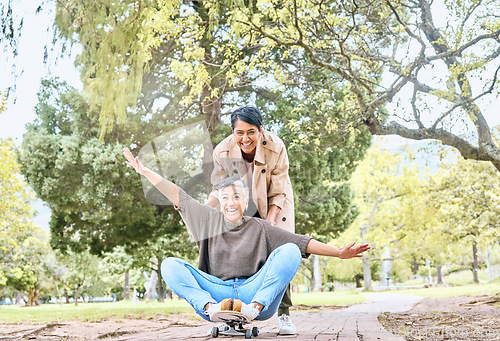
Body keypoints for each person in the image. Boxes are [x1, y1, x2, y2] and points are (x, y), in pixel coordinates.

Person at [123, 148, 370, 330]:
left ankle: (252, 311)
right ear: (219, 200)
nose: (231, 202)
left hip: (254, 293)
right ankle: (212, 310)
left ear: (245, 201)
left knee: (291, 251)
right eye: (226, 197)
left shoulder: (260, 227)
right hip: (218, 293)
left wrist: (339, 252)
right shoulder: (205, 221)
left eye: (237, 197)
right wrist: (144, 172)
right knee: (169, 264)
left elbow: (302, 242)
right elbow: (177, 194)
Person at [205, 105, 298, 334]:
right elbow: (219, 187)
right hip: (240, 204)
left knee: (281, 250)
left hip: (274, 202)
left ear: (260, 130)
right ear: (233, 132)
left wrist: (270, 222)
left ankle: (284, 315)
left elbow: (279, 189)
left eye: (251, 132)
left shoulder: (275, 147)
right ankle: (230, 315)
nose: (245, 138)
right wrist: (204, 211)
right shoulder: (222, 151)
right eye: (240, 133)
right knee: (230, 253)